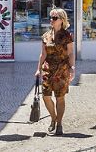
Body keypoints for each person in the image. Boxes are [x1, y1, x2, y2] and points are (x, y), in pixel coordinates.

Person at [35, 8, 74, 136]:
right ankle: (53, 117)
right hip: (48, 70)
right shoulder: (46, 36)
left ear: (61, 20)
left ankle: (59, 124)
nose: (51, 20)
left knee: (60, 98)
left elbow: (70, 53)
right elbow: (43, 53)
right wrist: (38, 69)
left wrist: (72, 68)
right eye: (50, 18)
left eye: (54, 18)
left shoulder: (67, 35)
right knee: (46, 96)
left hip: (62, 70)